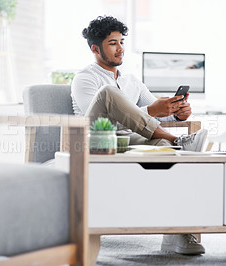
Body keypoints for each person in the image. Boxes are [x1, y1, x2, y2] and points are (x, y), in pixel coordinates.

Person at [71, 15, 207, 255]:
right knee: (108, 94)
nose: (120, 48)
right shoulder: (85, 78)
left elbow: (156, 112)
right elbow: (95, 120)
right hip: (99, 141)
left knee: (163, 144)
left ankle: (176, 233)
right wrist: (153, 111)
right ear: (95, 48)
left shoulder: (132, 80)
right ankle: (181, 141)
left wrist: (177, 114)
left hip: (130, 140)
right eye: (112, 43)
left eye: (121, 41)